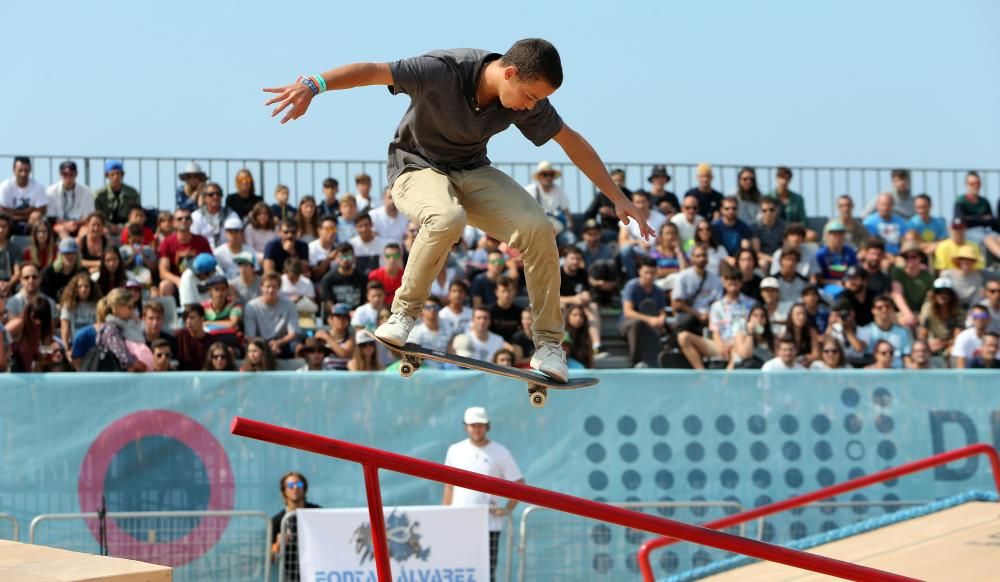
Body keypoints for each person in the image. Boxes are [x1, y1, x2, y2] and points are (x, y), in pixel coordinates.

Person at [264, 38, 652, 383]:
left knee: (538, 227)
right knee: (447, 218)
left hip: (471, 171)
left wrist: (616, 196)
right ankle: (402, 314)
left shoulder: (525, 98)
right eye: (531, 96)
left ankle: (549, 345)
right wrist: (313, 85)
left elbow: (571, 141)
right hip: (415, 167)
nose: (532, 106)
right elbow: (373, 71)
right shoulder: (442, 70)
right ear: (510, 72)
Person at [443, 406, 523, 581]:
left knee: (486, 574)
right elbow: (449, 485)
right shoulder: (455, 450)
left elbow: (519, 484)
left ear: (487, 426)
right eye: (473, 425)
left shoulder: (500, 452)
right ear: (466, 426)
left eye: (480, 425)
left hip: (489, 524)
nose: (477, 429)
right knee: (459, 571)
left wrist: (507, 509)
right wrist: (445, 515)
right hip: (459, 522)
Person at [677, 268, 754, 369]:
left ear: (741, 283)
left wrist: (733, 344)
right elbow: (715, 331)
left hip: (740, 345)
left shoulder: (750, 304)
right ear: (724, 283)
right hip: (719, 344)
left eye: (736, 284)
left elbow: (750, 329)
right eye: (730, 284)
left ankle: (725, 383)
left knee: (738, 353)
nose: (733, 288)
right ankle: (702, 374)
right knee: (683, 337)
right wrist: (722, 346)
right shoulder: (716, 306)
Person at [270, 471, 321, 578]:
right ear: (284, 491)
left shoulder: (317, 512)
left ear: (304, 488)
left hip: (317, 573)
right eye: (290, 485)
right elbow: (270, 558)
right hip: (291, 576)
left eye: (299, 485)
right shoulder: (277, 521)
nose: (295, 488)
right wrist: (279, 544)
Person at [620, 257, 667, 368]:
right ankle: (636, 361)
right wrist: (649, 319)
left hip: (651, 326)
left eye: (652, 272)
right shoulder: (631, 286)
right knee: (636, 323)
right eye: (646, 272)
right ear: (639, 271)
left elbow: (662, 312)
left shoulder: (659, 291)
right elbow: (628, 312)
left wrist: (661, 318)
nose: (649, 276)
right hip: (627, 324)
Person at [245, 273, 302, 358]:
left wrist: (278, 343)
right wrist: (265, 347)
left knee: (298, 347)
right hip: (259, 344)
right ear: (261, 287)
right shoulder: (251, 306)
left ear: (278, 288)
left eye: (274, 287)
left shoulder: (289, 305)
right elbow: (250, 336)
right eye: (268, 287)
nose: (271, 290)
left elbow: (293, 333)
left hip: (282, 343)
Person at [158, 208, 213, 298]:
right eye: (179, 219)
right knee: (165, 286)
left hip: (199, 281)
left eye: (187, 218)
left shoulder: (202, 241)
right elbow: (163, 272)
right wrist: (179, 281)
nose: (184, 220)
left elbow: (211, 267)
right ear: (174, 223)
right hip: (177, 282)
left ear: (191, 221)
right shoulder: (167, 242)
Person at [93, 288, 148, 372]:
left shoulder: (128, 325)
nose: (132, 310)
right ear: (116, 308)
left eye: (133, 306)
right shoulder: (111, 328)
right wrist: (135, 364)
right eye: (129, 307)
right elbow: (120, 353)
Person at [671, 244, 723, 334]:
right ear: (692, 259)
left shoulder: (715, 279)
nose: (701, 259)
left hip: (710, 315)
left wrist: (709, 314)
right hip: (690, 314)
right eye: (698, 256)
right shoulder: (683, 277)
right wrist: (698, 315)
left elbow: (718, 302)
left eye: (704, 255)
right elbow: (677, 303)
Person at [854, 295, 912, 368]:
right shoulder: (866, 331)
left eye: (887, 306)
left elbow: (906, 357)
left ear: (892, 309)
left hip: (898, 373)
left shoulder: (903, 332)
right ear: (873, 311)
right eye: (879, 308)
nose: (884, 310)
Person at [524, 161, 574, 245]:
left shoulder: (559, 190)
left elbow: (566, 211)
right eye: (545, 174)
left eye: (551, 175)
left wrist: (570, 226)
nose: (548, 177)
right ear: (539, 176)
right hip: (536, 231)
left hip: (558, 232)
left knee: (570, 238)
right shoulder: (530, 190)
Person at [890, 241, 934, 327]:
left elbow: (929, 299)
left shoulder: (928, 276)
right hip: (902, 312)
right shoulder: (897, 271)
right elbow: (897, 294)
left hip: (921, 312)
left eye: (914, 256)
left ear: (920, 258)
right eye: (906, 257)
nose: (910, 259)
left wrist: (922, 317)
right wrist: (908, 314)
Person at [918, 277, 964, 358]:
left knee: (955, 351)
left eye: (946, 292)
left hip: (950, 345)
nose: (943, 295)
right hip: (931, 343)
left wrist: (943, 344)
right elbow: (922, 333)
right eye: (939, 292)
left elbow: (958, 337)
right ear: (934, 294)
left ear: (951, 295)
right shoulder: (927, 308)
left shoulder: (958, 311)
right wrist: (927, 345)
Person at [0, 157, 48, 235]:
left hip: (30, 222)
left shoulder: (38, 187)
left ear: (30, 170)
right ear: (14, 170)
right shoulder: (4, 186)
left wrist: (12, 211)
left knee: (37, 217)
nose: (23, 174)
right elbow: (2, 211)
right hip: (10, 221)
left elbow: (42, 210)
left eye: (26, 170)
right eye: (20, 170)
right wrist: (30, 210)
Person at [47, 160, 94, 239]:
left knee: (85, 232)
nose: (68, 177)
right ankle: (67, 249)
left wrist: (75, 223)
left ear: (76, 174)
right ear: (60, 174)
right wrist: (66, 224)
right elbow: (51, 217)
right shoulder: (51, 191)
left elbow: (89, 216)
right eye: (65, 174)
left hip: (80, 224)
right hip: (59, 225)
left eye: (71, 174)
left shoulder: (86, 191)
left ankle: (78, 250)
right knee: (61, 229)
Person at [93, 161, 141, 233]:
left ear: (122, 175)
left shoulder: (133, 193)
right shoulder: (99, 195)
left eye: (118, 174)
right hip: (105, 227)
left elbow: (137, 213)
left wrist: (125, 226)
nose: (116, 177)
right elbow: (97, 215)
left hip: (128, 228)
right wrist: (109, 226)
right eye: (112, 174)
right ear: (107, 175)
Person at [953, 171, 995, 246]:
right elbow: (960, 221)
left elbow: (992, 221)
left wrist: (971, 219)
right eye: (972, 184)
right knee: (987, 239)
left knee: (996, 237)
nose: (976, 186)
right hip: (968, 232)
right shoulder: (960, 201)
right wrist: (982, 218)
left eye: (978, 183)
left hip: (985, 231)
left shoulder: (984, 201)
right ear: (966, 185)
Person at [320, 242, 366, 310]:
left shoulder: (362, 278)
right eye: (342, 256)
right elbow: (328, 304)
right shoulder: (328, 279)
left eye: (349, 256)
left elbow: (365, 301)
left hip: (358, 317)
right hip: (337, 317)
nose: (345, 259)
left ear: (354, 258)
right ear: (336, 258)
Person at [727, 305, 775, 369]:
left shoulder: (772, 338)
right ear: (749, 318)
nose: (759, 319)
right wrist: (750, 333)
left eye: (762, 316)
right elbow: (745, 355)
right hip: (743, 372)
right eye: (755, 316)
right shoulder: (741, 335)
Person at [59, 271, 99, 348]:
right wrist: (66, 348)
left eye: (86, 286)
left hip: (93, 346)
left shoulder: (97, 305)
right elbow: (65, 328)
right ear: (75, 289)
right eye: (79, 286)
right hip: (75, 345)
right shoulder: (68, 305)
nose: (83, 289)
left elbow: (99, 326)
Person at [191, 182, 237, 247]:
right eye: (211, 194)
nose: (215, 197)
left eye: (218, 194)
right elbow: (193, 238)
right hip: (204, 253)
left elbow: (237, 237)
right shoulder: (196, 216)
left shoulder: (231, 215)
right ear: (204, 198)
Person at [815, 220, 857, 286]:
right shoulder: (821, 255)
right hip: (827, 287)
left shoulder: (850, 252)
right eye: (834, 234)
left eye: (840, 234)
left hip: (848, 285)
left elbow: (854, 273)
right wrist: (835, 282)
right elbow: (818, 280)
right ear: (827, 236)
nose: (838, 237)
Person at [314, 303, 355, 370]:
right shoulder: (321, 336)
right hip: (325, 373)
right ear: (330, 319)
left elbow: (344, 354)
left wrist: (327, 338)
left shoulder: (350, 338)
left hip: (344, 373)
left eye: (345, 317)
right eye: (338, 316)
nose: (341, 320)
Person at [174, 304, 214, 371]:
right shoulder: (179, 336)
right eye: (186, 318)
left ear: (202, 318)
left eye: (192, 318)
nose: (188, 322)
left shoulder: (211, 341)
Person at [751, 196, 785, 270]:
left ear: (777, 210)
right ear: (760, 211)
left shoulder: (784, 226)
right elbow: (757, 252)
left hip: (780, 257)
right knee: (763, 263)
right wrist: (773, 259)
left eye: (771, 210)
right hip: (764, 258)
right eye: (764, 210)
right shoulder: (755, 227)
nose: (768, 213)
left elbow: (785, 246)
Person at [308, 215, 339, 280]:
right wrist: (328, 260)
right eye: (327, 229)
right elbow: (314, 275)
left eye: (333, 229)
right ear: (319, 230)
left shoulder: (338, 248)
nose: (331, 232)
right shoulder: (311, 248)